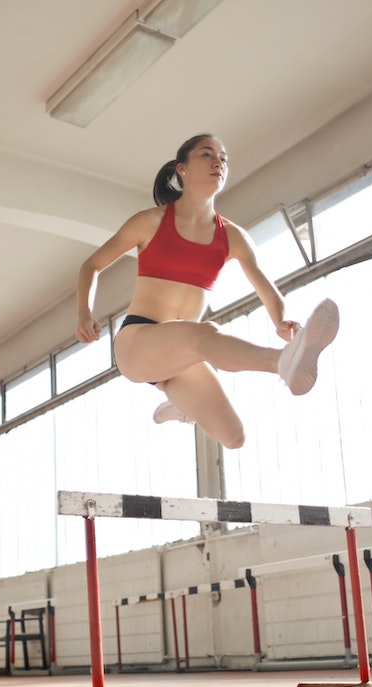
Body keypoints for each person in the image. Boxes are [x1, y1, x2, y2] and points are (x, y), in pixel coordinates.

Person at [75, 133, 339, 450]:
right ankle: (283, 361)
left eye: (223, 158)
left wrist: (281, 321)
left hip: (180, 359)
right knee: (205, 334)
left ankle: (183, 408)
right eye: (206, 155)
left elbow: (266, 290)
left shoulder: (234, 237)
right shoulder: (151, 222)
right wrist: (84, 314)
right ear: (181, 169)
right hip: (138, 342)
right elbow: (91, 265)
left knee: (234, 436)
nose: (218, 162)